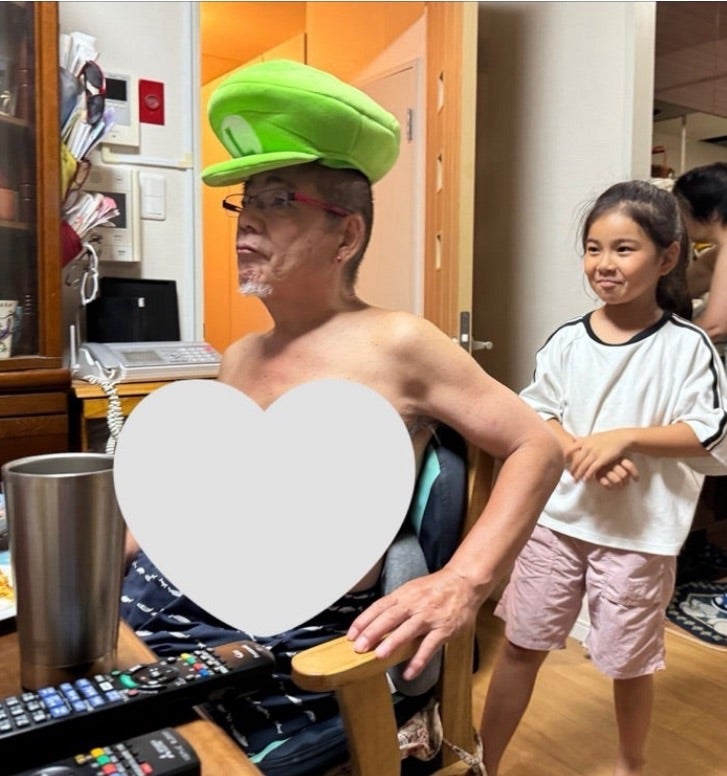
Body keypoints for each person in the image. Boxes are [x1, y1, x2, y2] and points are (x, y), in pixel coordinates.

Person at [121, 59, 563, 769]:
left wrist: (463, 581)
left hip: (291, 646)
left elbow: (536, 446)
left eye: (277, 201)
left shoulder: (398, 342)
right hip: (165, 608)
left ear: (346, 236)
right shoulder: (240, 355)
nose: (248, 221)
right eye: (245, 203)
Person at [479, 180, 727, 776]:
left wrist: (627, 438)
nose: (603, 264)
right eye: (593, 248)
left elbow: (708, 432)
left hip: (637, 539)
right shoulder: (568, 340)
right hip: (556, 525)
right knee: (521, 646)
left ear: (667, 257)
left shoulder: (688, 347)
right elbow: (537, 412)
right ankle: (483, 762)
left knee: (628, 663)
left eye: (623, 249)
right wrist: (580, 451)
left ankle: (629, 765)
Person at [672, 161, 727, 344]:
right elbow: (676, 292)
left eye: (682, 211)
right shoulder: (716, 256)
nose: (680, 221)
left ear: (712, 214)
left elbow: (715, 327)